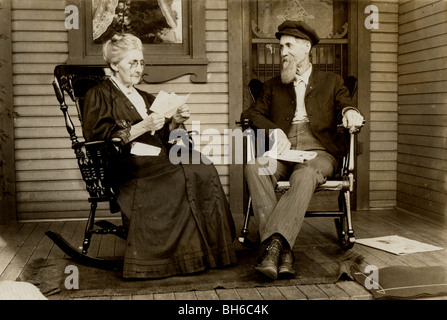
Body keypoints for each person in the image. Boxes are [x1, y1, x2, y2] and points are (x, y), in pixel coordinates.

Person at [82, 33, 236, 279]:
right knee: (179, 172)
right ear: (113, 65)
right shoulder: (98, 95)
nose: (138, 68)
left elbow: (168, 138)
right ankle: (176, 258)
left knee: (201, 164)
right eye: (132, 62)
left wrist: (175, 121)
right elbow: (98, 141)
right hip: (126, 166)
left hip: (155, 158)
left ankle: (213, 252)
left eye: (141, 62)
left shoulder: (145, 97)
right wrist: (142, 126)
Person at [242, 21, 364, 280]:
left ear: (306, 47)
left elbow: (346, 105)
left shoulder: (331, 81)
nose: (282, 52)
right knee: (255, 166)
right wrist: (274, 131)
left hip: (319, 151)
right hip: (283, 151)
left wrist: (351, 112)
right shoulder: (273, 85)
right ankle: (282, 250)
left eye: (288, 46)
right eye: (280, 47)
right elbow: (251, 114)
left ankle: (272, 248)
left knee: (305, 175)